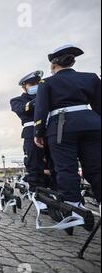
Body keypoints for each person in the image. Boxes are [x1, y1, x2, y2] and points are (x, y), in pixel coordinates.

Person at [34, 44, 101, 208]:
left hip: (62, 127)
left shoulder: (46, 82)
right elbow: (99, 106)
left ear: (53, 64)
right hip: (92, 124)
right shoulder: (91, 78)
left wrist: (38, 132)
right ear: (72, 62)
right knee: (96, 167)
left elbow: (41, 110)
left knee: (66, 169)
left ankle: (73, 206)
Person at [11, 70, 47, 193]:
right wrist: (41, 100)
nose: (35, 85)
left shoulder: (48, 95)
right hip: (31, 133)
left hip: (51, 131)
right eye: (32, 84)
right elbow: (22, 109)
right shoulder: (16, 100)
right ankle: (38, 193)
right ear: (24, 87)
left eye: (37, 82)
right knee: (34, 165)